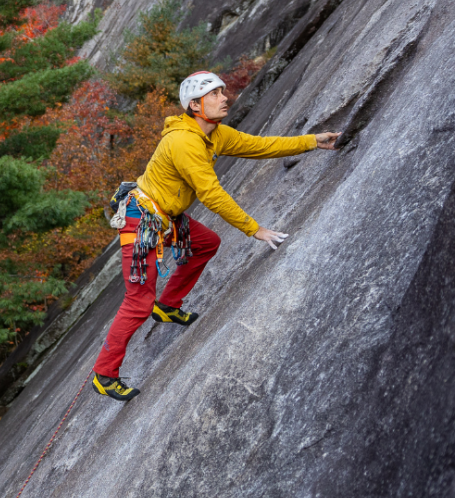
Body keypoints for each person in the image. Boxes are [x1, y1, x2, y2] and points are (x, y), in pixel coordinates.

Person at [92, 70, 340, 402]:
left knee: (207, 243)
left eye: (223, 92)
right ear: (195, 105)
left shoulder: (214, 134)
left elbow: (260, 146)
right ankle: (104, 374)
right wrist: (255, 229)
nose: (224, 98)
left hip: (165, 216)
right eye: (214, 94)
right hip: (143, 220)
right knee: (138, 302)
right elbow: (212, 195)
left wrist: (311, 141)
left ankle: (168, 305)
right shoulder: (184, 142)